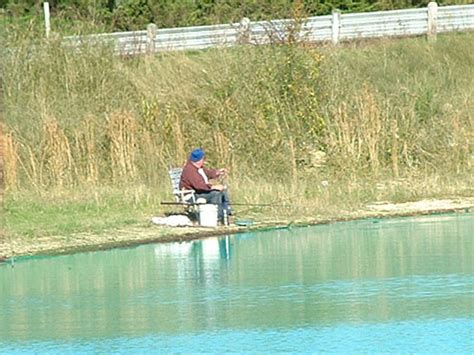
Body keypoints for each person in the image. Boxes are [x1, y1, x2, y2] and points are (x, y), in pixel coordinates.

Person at [179, 148, 232, 223]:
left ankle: (227, 213)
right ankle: (217, 216)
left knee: (223, 190)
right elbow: (199, 186)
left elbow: (208, 173)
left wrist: (217, 172)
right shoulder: (190, 170)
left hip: (198, 192)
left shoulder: (198, 168)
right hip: (191, 195)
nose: (204, 161)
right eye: (203, 159)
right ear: (199, 160)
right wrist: (214, 187)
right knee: (215, 193)